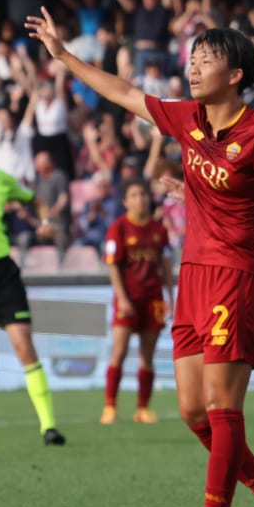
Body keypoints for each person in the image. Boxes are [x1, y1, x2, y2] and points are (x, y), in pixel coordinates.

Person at [27, 8, 254, 507]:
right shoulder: (187, 118)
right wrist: (64, 56)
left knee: (221, 404)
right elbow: (122, 93)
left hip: (237, 276)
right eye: (192, 59)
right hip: (191, 277)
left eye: (206, 60)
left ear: (236, 73)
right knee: (193, 411)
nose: (193, 69)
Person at [0, 120, 65, 446]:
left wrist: (45, 222)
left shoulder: (0, 180)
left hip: (2, 275)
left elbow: (36, 202)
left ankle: (49, 427)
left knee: (24, 346)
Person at [101, 179, 175, 426]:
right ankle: (110, 406)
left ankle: (142, 408)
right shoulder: (119, 228)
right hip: (128, 298)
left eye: (143, 194)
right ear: (125, 201)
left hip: (153, 299)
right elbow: (113, 266)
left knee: (147, 356)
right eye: (134, 194)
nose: (140, 199)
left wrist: (171, 298)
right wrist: (122, 298)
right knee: (119, 352)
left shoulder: (159, 230)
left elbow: (165, 266)